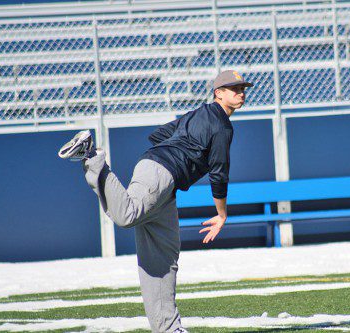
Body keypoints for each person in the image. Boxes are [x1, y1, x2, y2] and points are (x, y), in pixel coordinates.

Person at [58, 70, 253, 333]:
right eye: (234, 88)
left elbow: (159, 135)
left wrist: (181, 152)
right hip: (162, 173)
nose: (240, 93)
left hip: (164, 180)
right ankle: (92, 156)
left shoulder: (199, 113)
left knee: (163, 257)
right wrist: (221, 214)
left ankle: (169, 328)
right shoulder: (221, 126)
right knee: (127, 215)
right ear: (218, 92)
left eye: (242, 88)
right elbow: (219, 171)